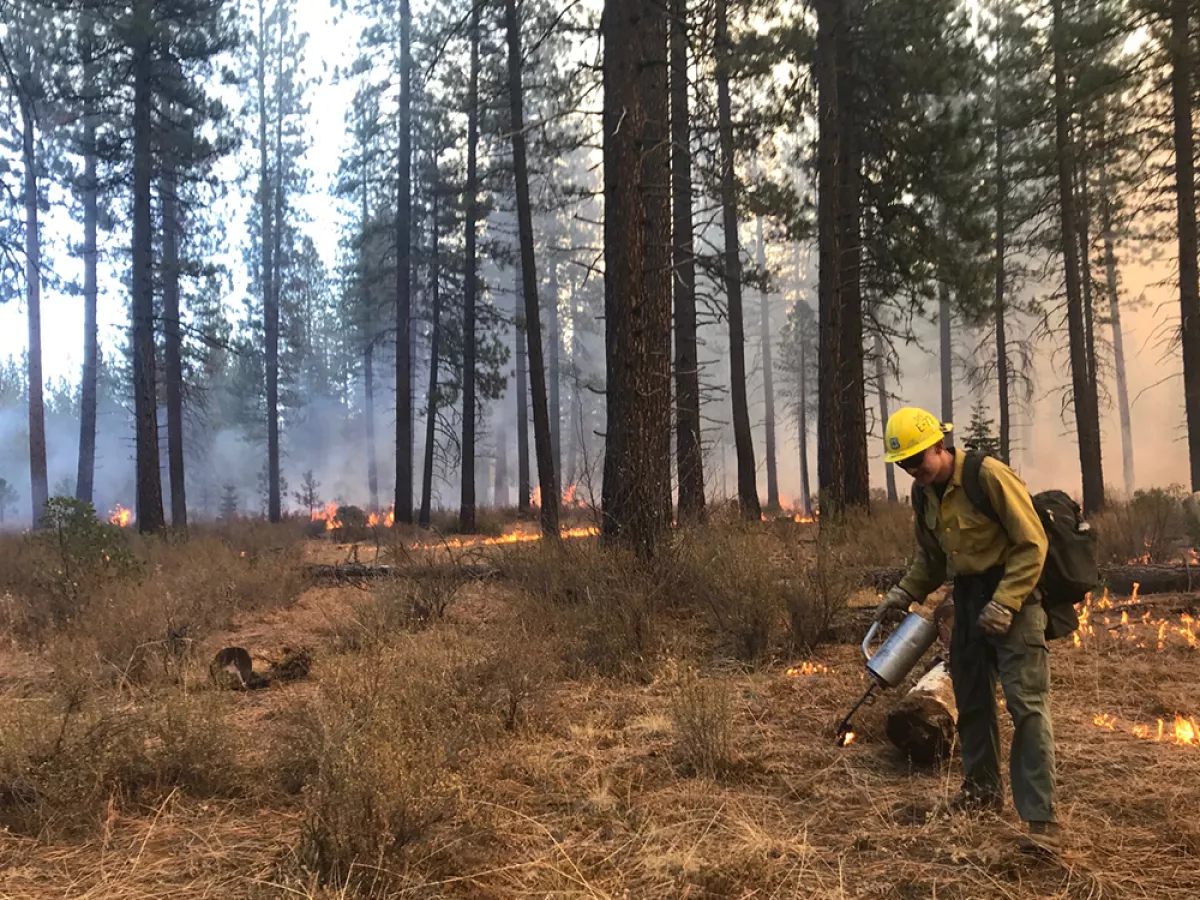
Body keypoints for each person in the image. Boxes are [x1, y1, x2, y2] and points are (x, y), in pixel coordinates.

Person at [874, 406, 1062, 855]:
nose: (912, 470)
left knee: (1027, 709)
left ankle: (1041, 821)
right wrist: (903, 593)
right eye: (903, 464)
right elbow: (932, 560)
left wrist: (1007, 601)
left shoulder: (987, 476)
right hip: (967, 601)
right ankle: (980, 792)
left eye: (917, 459)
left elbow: (1032, 542)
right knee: (973, 703)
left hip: (1016, 600)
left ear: (940, 445)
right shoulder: (925, 496)